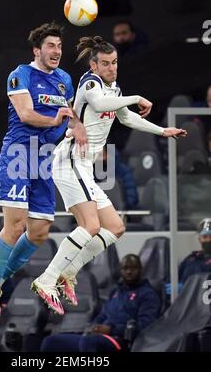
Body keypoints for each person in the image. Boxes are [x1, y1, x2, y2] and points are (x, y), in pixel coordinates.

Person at [31, 35, 187, 315]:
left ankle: (69, 272)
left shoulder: (114, 88)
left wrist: (163, 131)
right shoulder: (90, 84)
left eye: (114, 63)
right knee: (90, 226)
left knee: (115, 227)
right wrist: (138, 97)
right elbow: (101, 104)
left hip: (84, 168)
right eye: (105, 64)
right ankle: (47, 279)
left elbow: (126, 118)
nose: (112, 68)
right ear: (93, 65)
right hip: (69, 161)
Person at [0, 22, 87, 328]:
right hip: (19, 154)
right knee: (15, 226)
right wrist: (56, 121)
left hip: (44, 160)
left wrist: (76, 130)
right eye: (50, 46)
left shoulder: (64, 79)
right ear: (37, 50)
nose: (56, 52)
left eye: (60, 46)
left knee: (38, 232)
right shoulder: (20, 74)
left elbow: (70, 117)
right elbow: (25, 114)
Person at [41, 254, 160, 352]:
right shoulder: (116, 292)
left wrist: (111, 330)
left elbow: (146, 326)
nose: (129, 272)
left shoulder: (148, 294)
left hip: (122, 341)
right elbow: (102, 315)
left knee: (89, 342)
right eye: (125, 268)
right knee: (51, 342)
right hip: (99, 336)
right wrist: (94, 326)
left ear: (140, 269)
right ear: (120, 270)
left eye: (133, 268)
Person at [179, 218, 211, 284]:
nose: (208, 240)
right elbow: (176, 279)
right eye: (205, 237)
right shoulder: (191, 260)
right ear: (199, 239)